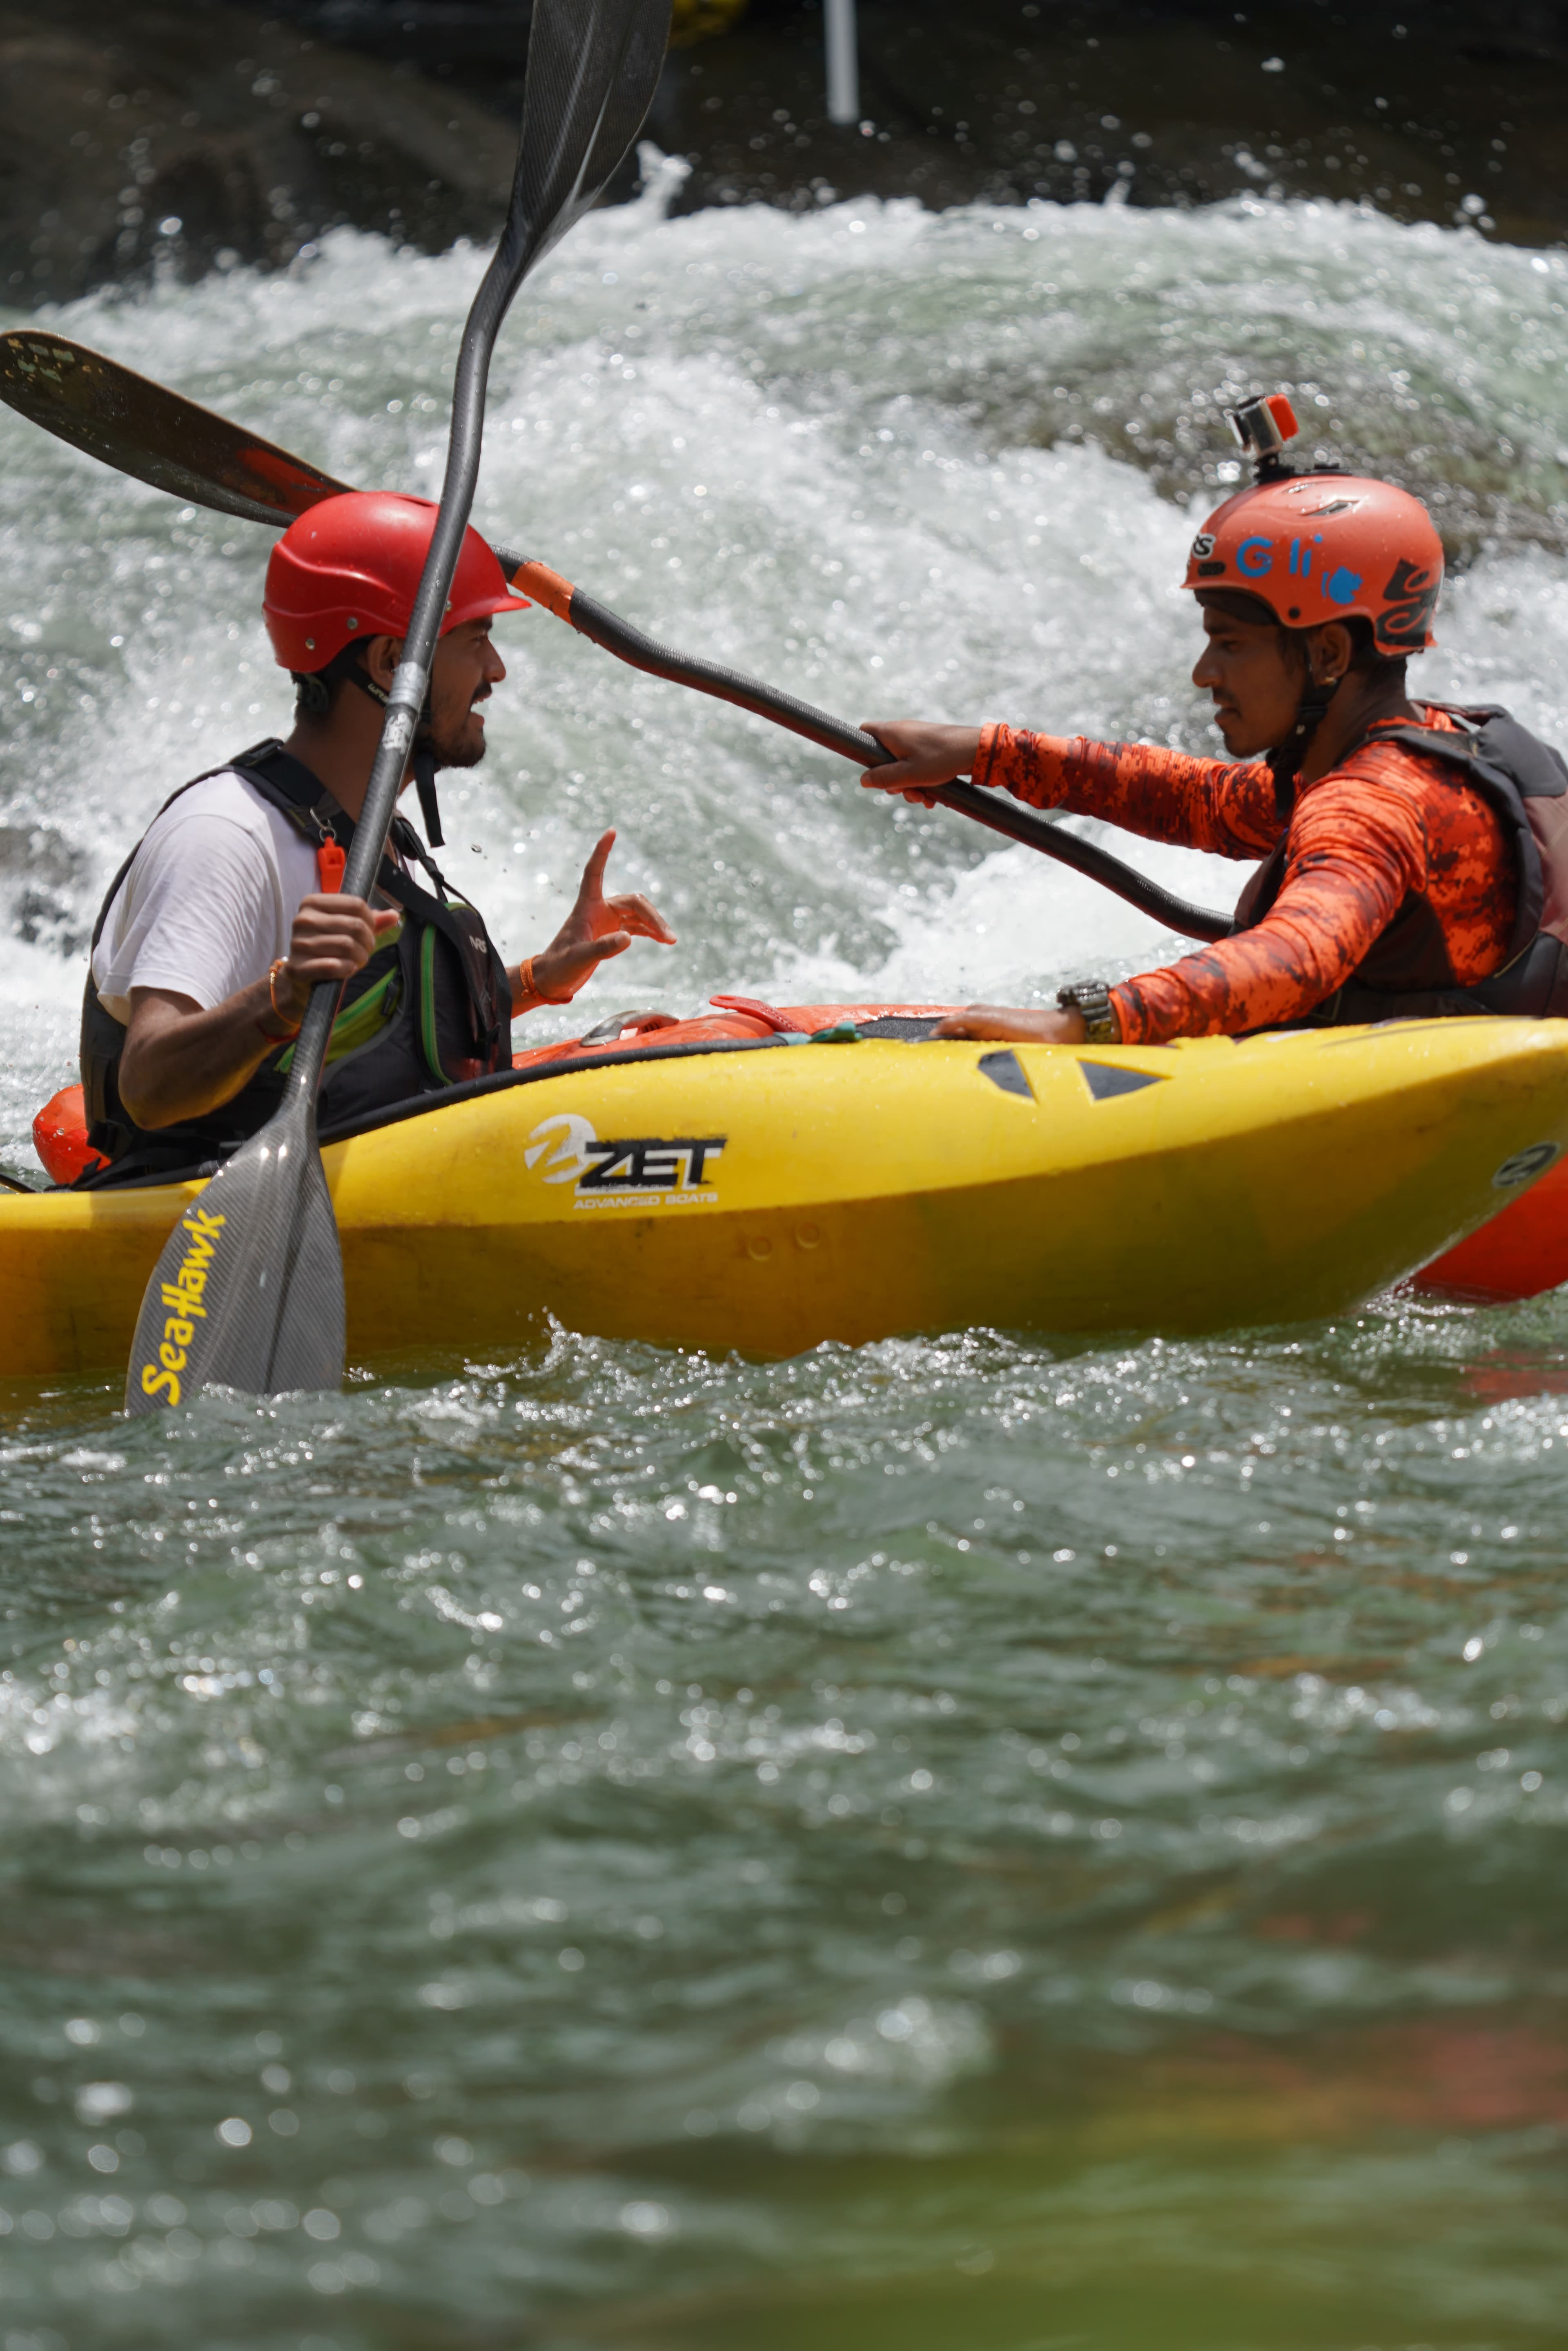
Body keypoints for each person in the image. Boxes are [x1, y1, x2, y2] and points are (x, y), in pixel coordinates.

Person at [860, 392, 1568, 1048]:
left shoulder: (1372, 806)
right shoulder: (1429, 749)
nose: (1205, 673)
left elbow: (1297, 957)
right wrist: (983, 751)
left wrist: (1089, 1024)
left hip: (1460, 1130)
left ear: (1327, 653)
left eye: (1230, 642)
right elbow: (1201, 801)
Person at [81, 490, 676, 1179]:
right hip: (220, 1233)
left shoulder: (370, 827)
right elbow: (149, 1086)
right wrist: (280, 999)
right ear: (393, 664)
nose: (496, 672)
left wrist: (539, 978)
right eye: (477, 639)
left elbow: (380, 1028)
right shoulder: (228, 837)